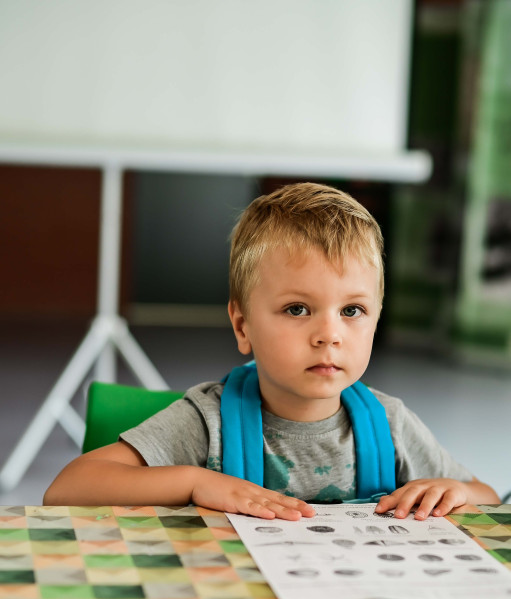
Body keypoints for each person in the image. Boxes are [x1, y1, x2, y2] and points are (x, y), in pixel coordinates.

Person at [44, 183, 500, 519]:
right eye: (298, 309)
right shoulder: (207, 422)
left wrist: (452, 490)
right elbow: (67, 488)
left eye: (353, 310)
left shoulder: (390, 423)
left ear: (376, 321)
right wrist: (196, 481)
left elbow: (486, 495)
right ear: (243, 326)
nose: (329, 334)